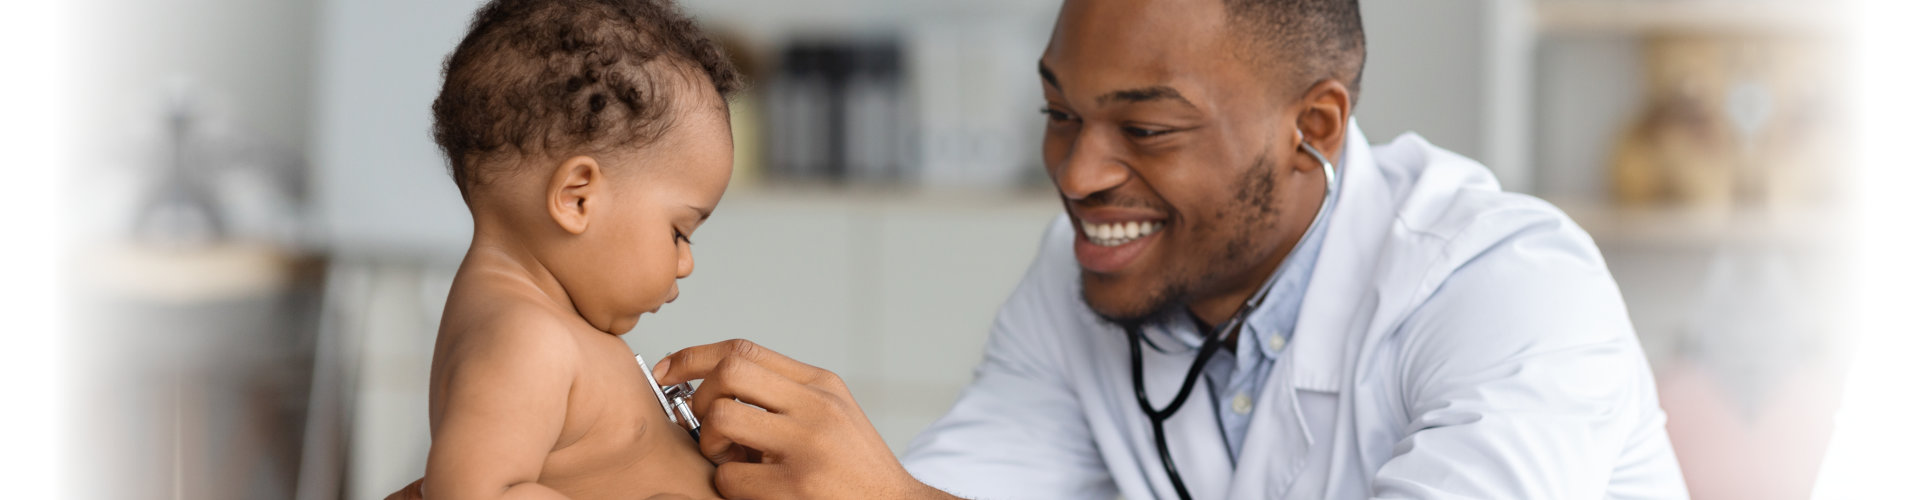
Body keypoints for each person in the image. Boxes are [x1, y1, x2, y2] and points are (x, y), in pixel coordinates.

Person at [641, 0, 1691, 498]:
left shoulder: (1505, 291)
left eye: (1146, 129)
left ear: (1313, 129)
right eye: (1061, 112)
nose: (1081, 173)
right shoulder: (1085, 280)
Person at [407, 0, 741, 498]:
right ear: (577, 197)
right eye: (680, 232)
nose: (686, 263)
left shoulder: (550, 323)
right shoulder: (527, 338)